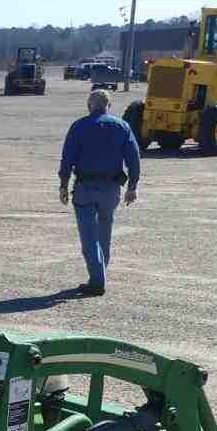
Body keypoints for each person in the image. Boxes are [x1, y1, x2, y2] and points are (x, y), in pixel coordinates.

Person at [58, 88, 140, 296]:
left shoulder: (79, 127)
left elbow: (67, 158)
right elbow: (134, 159)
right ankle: (99, 274)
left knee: (88, 239)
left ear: (89, 105)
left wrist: (63, 184)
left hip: (85, 188)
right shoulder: (122, 127)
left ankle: (97, 281)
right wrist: (132, 187)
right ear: (109, 106)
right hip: (111, 190)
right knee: (105, 234)